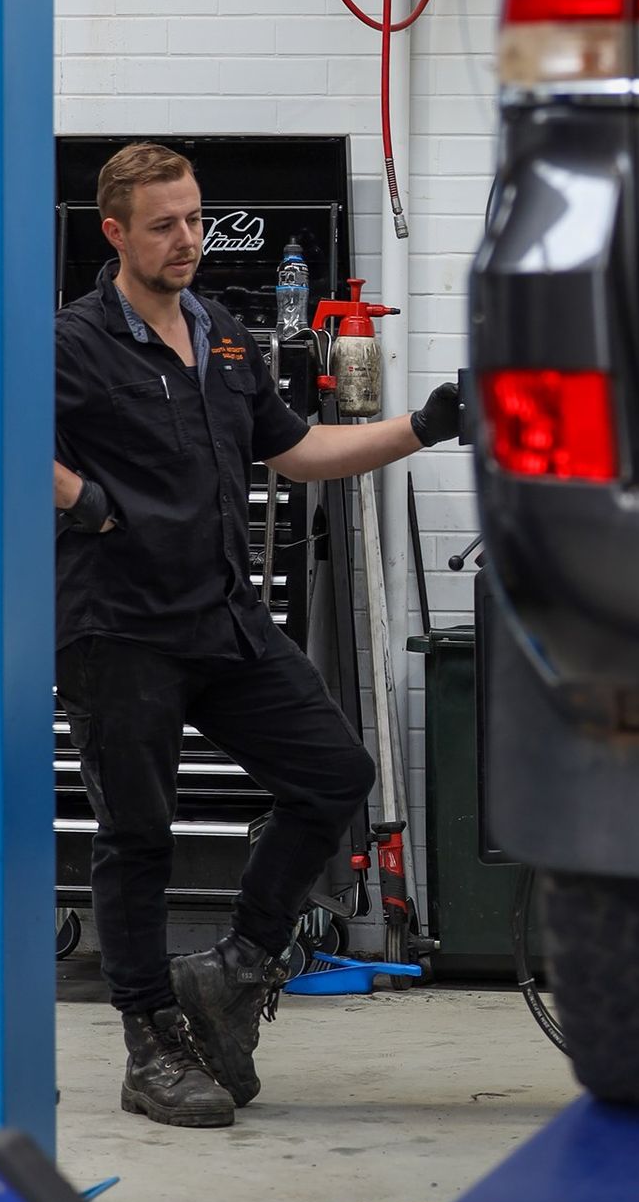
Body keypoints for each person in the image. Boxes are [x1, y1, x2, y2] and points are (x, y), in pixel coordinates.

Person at [53, 141, 462, 1127]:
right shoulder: (72, 341)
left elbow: (300, 450)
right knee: (137, 838)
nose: (187, 238)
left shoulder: (224, 336)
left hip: (225, 619)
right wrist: (90, 508)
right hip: (121, 631)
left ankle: (236, 964)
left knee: (334, 774)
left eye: (194, 218)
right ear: (116, 233)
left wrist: (428, 423)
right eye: (164, 224)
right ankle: (150, 1040)